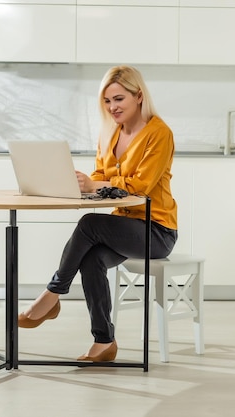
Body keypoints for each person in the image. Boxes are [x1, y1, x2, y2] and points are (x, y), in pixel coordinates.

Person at [18, 65, 178, 362]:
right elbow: (101, 175)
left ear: (139, 96)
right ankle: (104, 342)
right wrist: (79, 183)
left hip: (156, 230)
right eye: (107, 101)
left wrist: (97, 184)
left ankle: (53, 294)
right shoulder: (109, 135)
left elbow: (140, 187)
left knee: (89, 223)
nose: (112, 107)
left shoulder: (159, 133)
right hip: (122, 225)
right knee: (91, 259)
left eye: (119, 99)